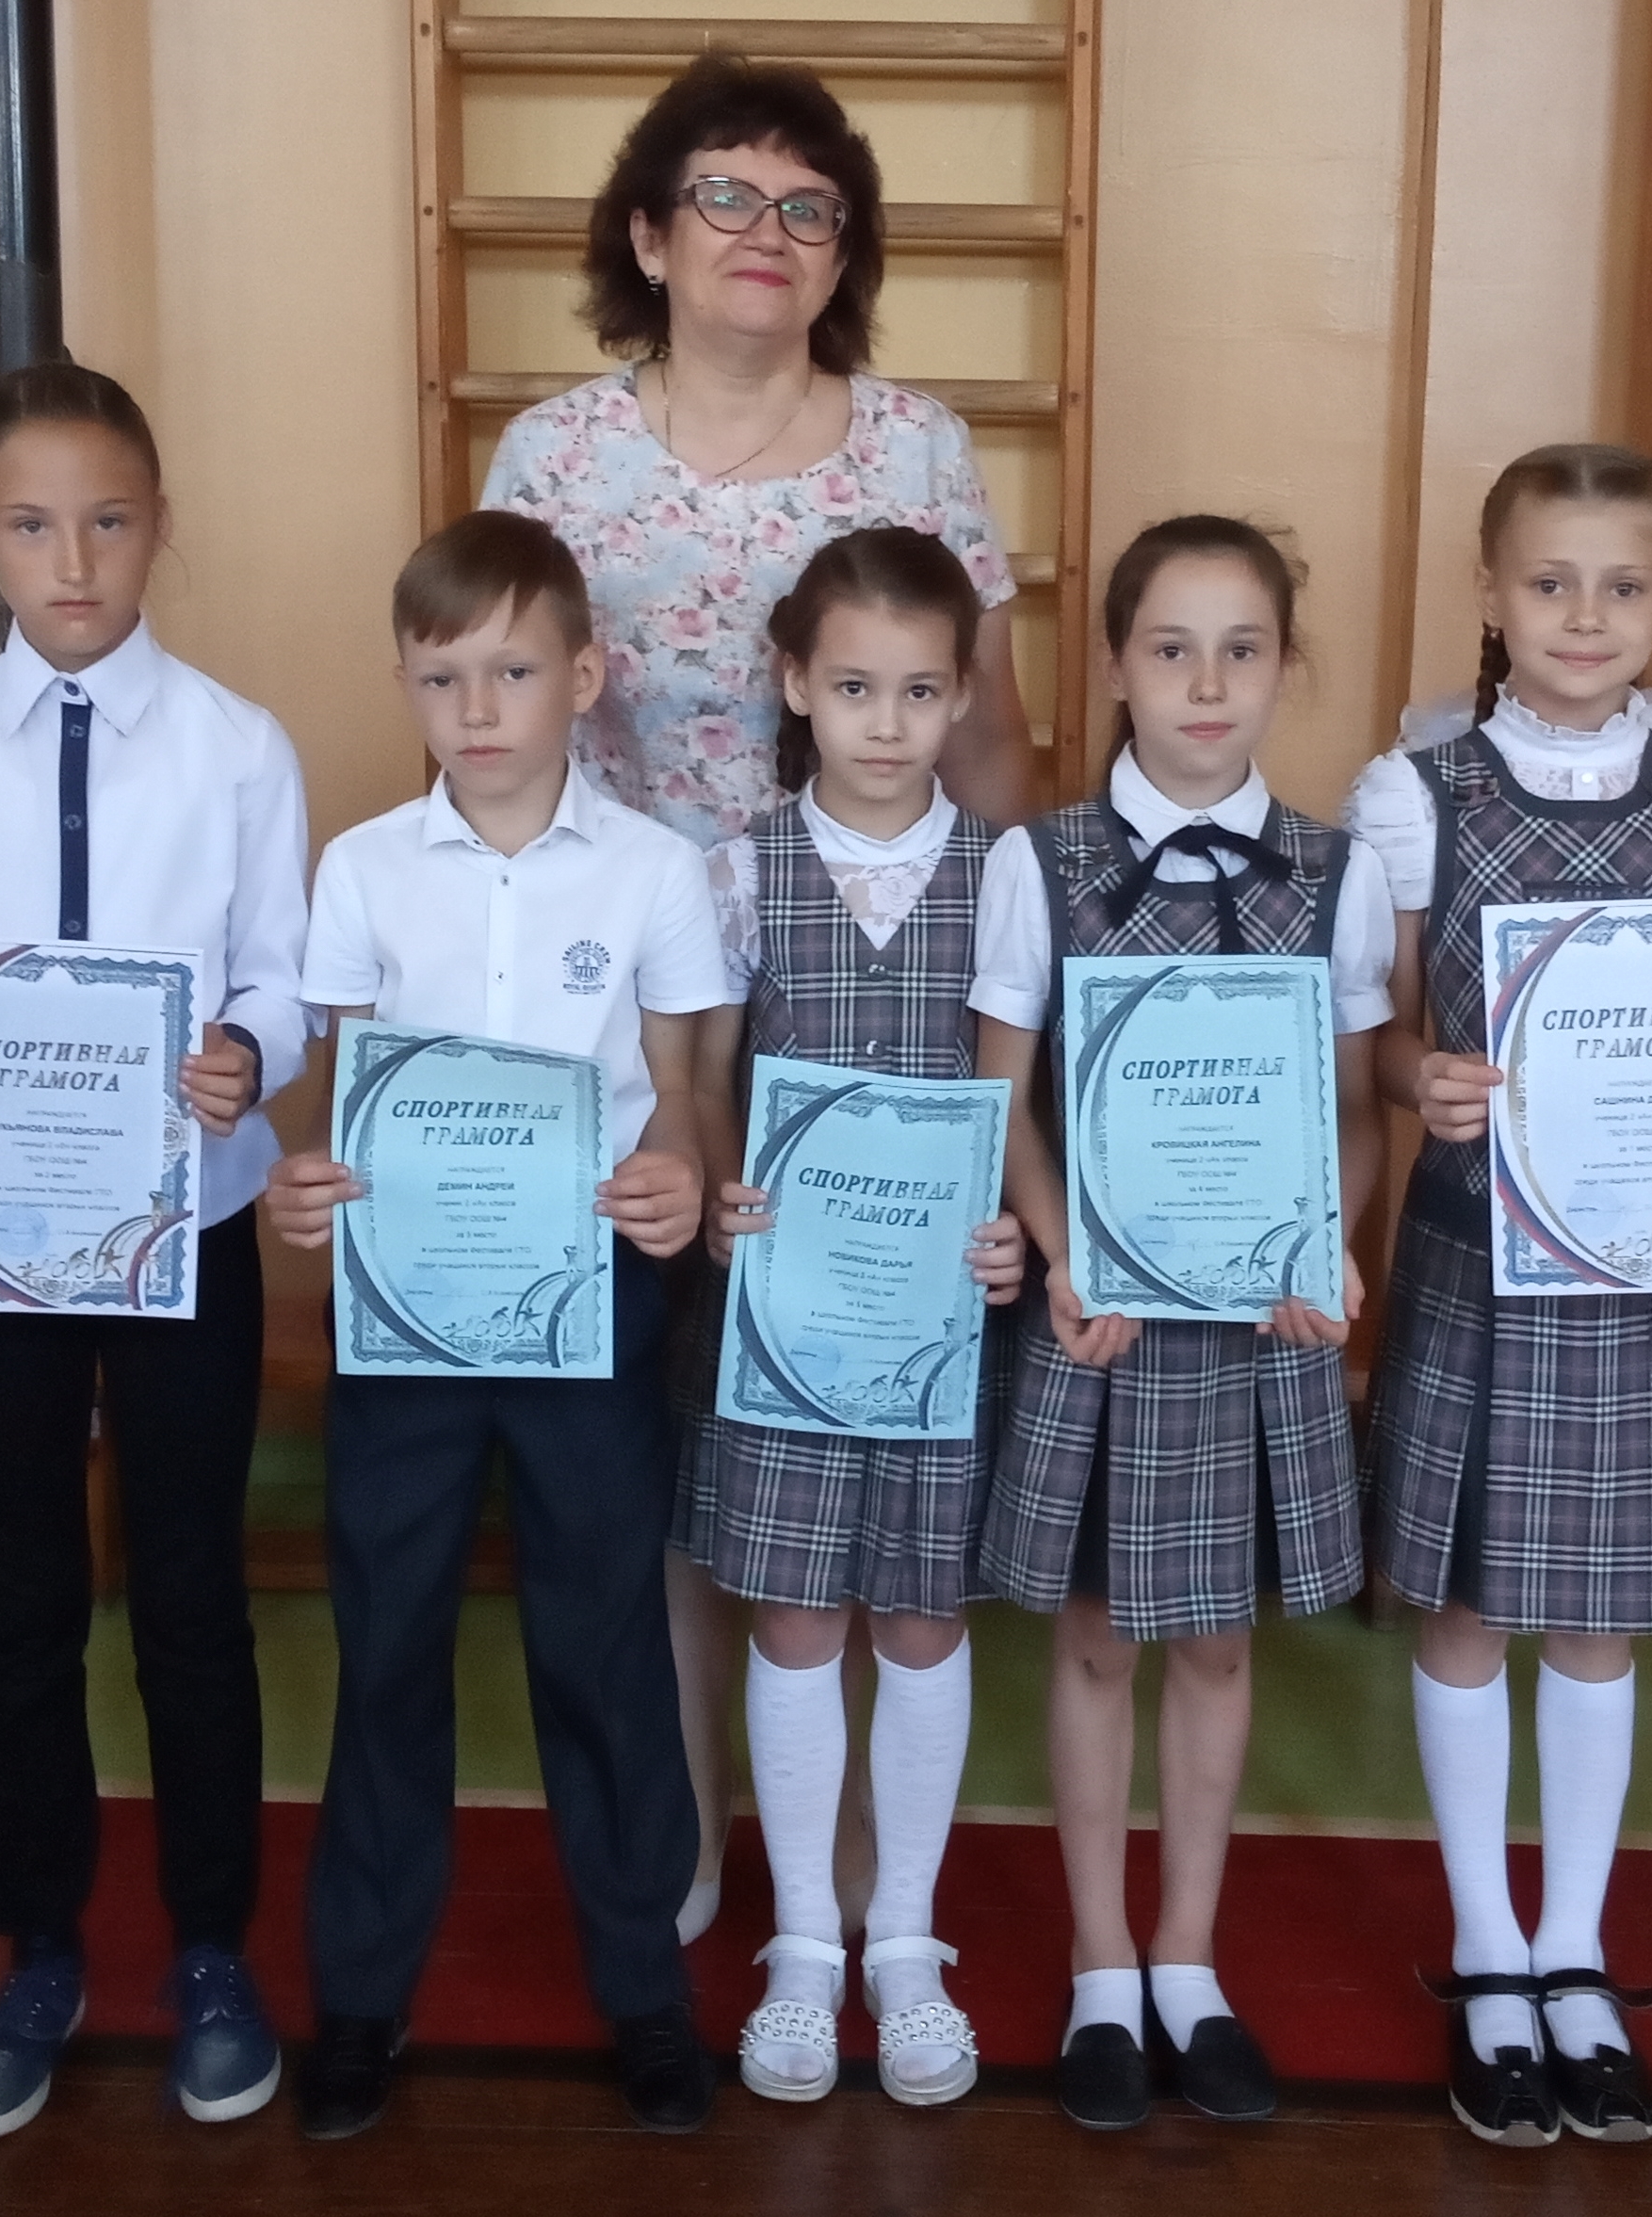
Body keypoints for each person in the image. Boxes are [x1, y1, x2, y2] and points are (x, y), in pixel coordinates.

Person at [482, 55, 1037, 1939]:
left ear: (841, 254)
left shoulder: (915, 449)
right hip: (638, 1018)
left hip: (869, 1003)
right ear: (648, 234)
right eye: (726, 195)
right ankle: (701, 1816)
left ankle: (862, 1848)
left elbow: (994, 745)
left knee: (860, 1417)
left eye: (809, 208)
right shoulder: (556, 456)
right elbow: (502, 721)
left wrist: (1011, 997)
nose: (766, 233)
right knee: (685, 1448)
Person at [1347, 444, 1652, 2148]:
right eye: (1549, 582)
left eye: (1621, 585)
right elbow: (1383, 1035)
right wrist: (1419, 1077)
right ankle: (1486, 1951)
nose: (1584, 614)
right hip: (1471, 1251)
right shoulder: (1417, 792)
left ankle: (1573, 1948)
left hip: (1638, 1269)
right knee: (1462, 1603)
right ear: (1490, 595)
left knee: (1594, 1613)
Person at [0, 361, 310, 2139]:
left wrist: (246, 1050)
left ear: (158, 525)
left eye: (108, 520)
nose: (73, 559)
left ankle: (210, 1948)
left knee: (189, 1597)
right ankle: (37, 1946)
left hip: (186, 1222)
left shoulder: (238, 745)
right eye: (32, 524)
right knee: (28, 1593)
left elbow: (279, 970)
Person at [265, 510, 727, 2140]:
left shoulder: (657, 869)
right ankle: (362, 1991)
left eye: (514, 671)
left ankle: (644, 1986)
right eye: (441, 674)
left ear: (583, 679)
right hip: (404, 1317)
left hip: (592, 1307)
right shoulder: (363, 870)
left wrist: (677, 1174)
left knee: (601, 1645)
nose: (477, 706)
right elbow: (331, 1097)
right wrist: (303, 1186)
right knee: (387, 1640)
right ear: (405, 682)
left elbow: (683, 1093)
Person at [969, 515, 1391, 2130]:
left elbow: (1354, 1112)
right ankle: (1097, 1967)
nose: (1205, 684)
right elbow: (1003, 1103)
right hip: (1106, 1322)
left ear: (1283, 667)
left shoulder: (1339, 872)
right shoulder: (1038, 862)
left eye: (1241, 649)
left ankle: (1187, 1959)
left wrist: (1328, 1240)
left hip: (1259, 1326)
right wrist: (1062, 1251)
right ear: (1115, 667)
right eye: (1169, 648)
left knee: (1216, 1639)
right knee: (1093, 1638)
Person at [679, 527, 1028, 2106]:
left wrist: (1013, 1228)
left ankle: (906, 1936)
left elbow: (1018, 1094)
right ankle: (804, 1943)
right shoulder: (736, 868)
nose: (887, 722)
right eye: (854, 687)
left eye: (920, 690)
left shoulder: (1004, 871)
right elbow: (701, 1078)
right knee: (797, 1621)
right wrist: (723, 1191)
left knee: (923, 1621)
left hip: (940, 1325)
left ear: (960, 696)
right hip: (785, 1323)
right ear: (792, 684)